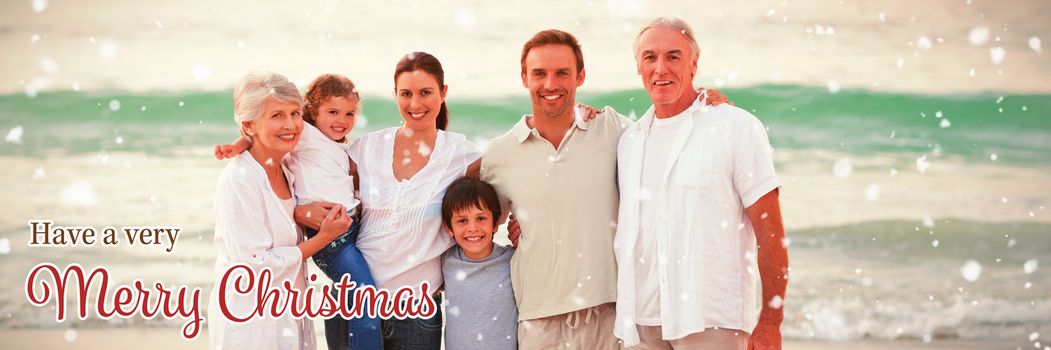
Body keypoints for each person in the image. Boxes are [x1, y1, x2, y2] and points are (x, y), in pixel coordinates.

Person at [613, 17, 788, 350]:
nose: (660, 68)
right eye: (650, 57)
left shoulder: (735, 127)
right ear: (638, 66)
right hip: (640, 324)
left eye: (673, 56)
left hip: (710, 319)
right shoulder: (629, 141)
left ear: (694, 62)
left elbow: (771, 231)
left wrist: (770, 321)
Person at [296, 51, 482, 350]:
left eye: (425, 93)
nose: (415, 104)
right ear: (395, 94)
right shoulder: (367, 148)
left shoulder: (465, 156)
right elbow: (311, 175)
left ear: (443, 93)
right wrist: (300, 211)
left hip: (416, 312)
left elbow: (507, 191)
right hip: (350, 303)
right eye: (406, 93)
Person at [214, 74, 381, 349]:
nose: (291, 124)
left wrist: (302, 213)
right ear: (249, 125)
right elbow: (256, 264)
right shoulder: (239, 180)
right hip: (253, 322)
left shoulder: (288, 169)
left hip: (291, 312)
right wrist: (323, 237)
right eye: (277, 115)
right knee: (365, 299)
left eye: (294, 113)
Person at [439, 177, 517, 350]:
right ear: (449, 227)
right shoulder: (446, 261)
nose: (472, 228)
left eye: (481, 218)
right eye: (462, 221)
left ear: (495, 223)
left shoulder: (512, 259)